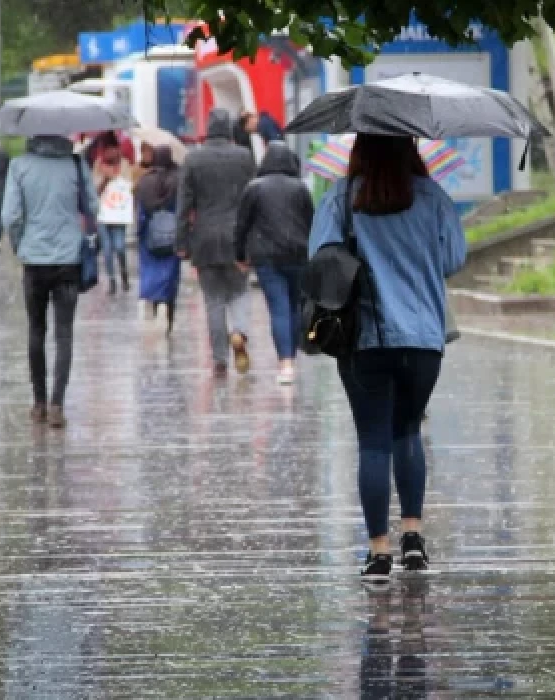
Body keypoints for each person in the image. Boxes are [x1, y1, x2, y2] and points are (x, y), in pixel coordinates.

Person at [308, 134, 467, 584]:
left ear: (359, 149)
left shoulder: (341, 198)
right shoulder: (433, 196)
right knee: (408, 430)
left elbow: (320, 260)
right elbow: (453, 258)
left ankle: (379, 551)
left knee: (373, 442)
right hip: (423, 339)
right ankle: (413, 537)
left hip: (365, 337)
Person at [2, 134, 98, 429]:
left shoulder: (19, 166)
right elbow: (93, 207)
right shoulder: (75, 164)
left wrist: (20, 244)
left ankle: (39, 402)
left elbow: (10, 216)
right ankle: (58, 404)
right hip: (69, 260)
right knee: (64, 334)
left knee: (36, 330)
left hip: (34, 261)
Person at [176, 109, 257, 377]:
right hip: (237, 237)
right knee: (239, 291)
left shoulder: (193, 159)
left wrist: (181, 242)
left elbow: (184, 204)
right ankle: (239, 331)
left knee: (214, 300)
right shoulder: (244, 157)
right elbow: (252, 198)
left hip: (205, 239)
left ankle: (220, 359)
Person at [234, 142, 314, 384]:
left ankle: (285, 364)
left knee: (279, 308)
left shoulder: (254, 188)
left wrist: (240, 255)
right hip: (298, 254)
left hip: (266, 257)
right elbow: (311, 221)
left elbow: (242, 224)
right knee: (295, 306)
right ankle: (292, 357)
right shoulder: (300, 188)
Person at [134, 145, 183, 333]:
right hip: (172, 235)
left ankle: (156, 305)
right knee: (170, 275)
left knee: (152, 273)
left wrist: (140, 232)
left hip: (150, 236)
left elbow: (140, 212)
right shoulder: (178, 180)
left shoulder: (144, 181)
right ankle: (168, 312)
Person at [95, 149, 132, 295]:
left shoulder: (124, 170)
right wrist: (104, 179)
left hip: (118, 218)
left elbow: (130, 188)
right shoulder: (99, 171)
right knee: (107, 250)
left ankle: (124, 273)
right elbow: (94, 193)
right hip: (103, 218)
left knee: (120, 246)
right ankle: (112, 280)